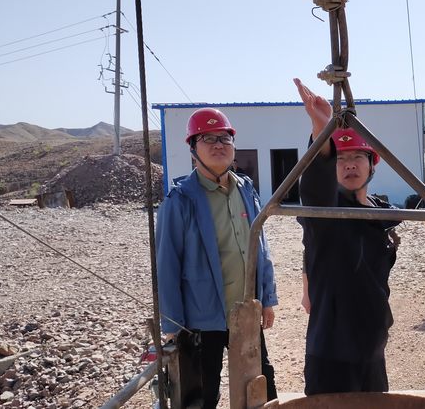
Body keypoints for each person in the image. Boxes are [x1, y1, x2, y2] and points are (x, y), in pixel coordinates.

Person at [156, 107, 279, 407]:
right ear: (192, 149)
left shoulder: (246, 190)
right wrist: (171, 324)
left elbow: (260, 247)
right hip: (200, 319)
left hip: (245, 311)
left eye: (224, 138)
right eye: (207, 138)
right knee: (202, 394)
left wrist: (268, 298)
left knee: (259, 385)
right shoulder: (180, 200)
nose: (218, 145)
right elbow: (167, 265)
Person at [294, 78, 401, 395]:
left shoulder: (381, 215)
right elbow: (315, 187)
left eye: (357, 157)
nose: (349, 165)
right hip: (332, 354)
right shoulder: (327, 213)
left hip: (372, 349)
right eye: (340, 158)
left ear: (372, 164)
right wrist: (321, 130)